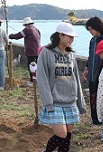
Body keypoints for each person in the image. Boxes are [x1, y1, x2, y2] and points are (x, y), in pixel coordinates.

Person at [36, 22, 86, 152]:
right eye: (69, 36)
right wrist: (48, 102)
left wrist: (80, 103)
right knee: (61, 134)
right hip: (55, 101)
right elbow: (42, 78)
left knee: (67, 136)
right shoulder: (46, 53)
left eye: (73, 37)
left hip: (70, 101)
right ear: (60, 35)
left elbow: (76, 79)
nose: (72, 39)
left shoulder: (71, 55)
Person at [82, 16, 103, 125]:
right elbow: (90, 56)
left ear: (97, 27)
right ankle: (95, 119)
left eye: (91, 29)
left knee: (101, 97)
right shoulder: (92, 40)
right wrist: (86, 68)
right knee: (93, 96)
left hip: (101, 73)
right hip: (92, 72)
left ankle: (102, 118)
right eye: (89, 29)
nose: (90, 32)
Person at [9, 17, 41, 86]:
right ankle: (37, 80)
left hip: (31, 51)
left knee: (31, 66)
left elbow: (18, 36)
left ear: (26, 24)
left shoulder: (27, 29)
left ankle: (32, 81)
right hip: (38, 50)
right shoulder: (36, 29)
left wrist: (9, 36)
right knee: (37, 66)